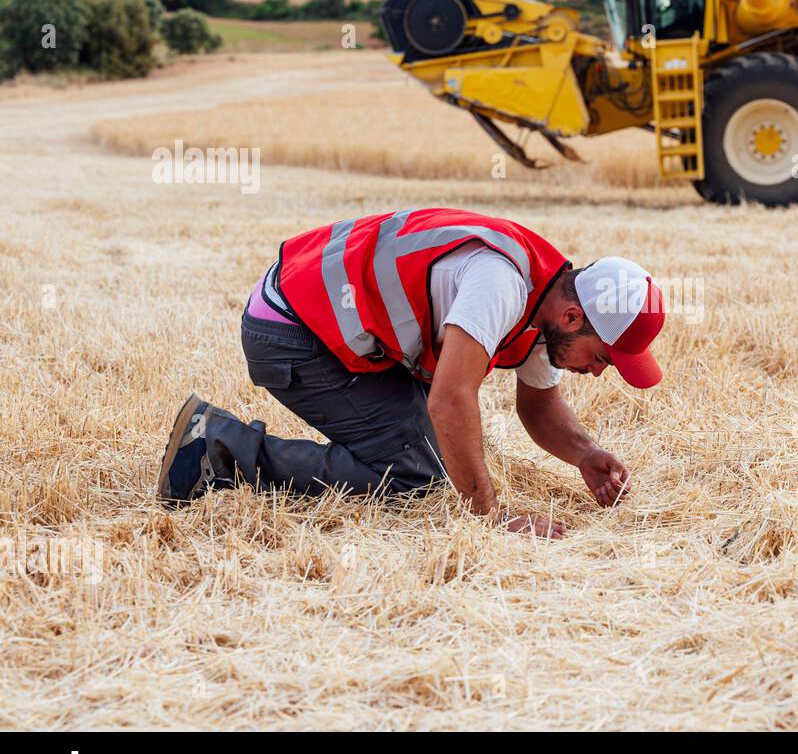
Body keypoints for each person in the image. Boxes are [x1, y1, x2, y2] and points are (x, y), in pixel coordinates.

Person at [156, 208, 666, 538]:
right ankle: (213, 447)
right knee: (416, 476)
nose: (599, 373)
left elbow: (539, 404)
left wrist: (585, 454)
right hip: (293, 330)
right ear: (573, 318)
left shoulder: (548, 301)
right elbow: (451, 399)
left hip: (325, 324)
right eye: (602, 358)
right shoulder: (502, 284)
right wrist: (489, 518)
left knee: (439, 460)